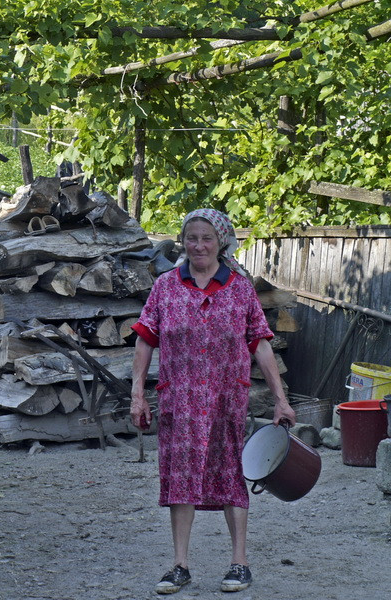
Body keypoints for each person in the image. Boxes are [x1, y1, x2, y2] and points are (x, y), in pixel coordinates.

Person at [128, 208, 296, 595]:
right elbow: (145, 339)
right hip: (180, 402)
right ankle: (179, 565)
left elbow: (261, 344)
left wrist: (280, 400)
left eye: (206, 238)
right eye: (191, 238)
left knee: (232, 476)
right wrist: (137, 394)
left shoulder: (240, 287)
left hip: (226, 401)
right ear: (182, 242)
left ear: (221, 241)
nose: (198, 245)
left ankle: (240, 563)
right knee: (179, 480)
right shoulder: (166, 286)